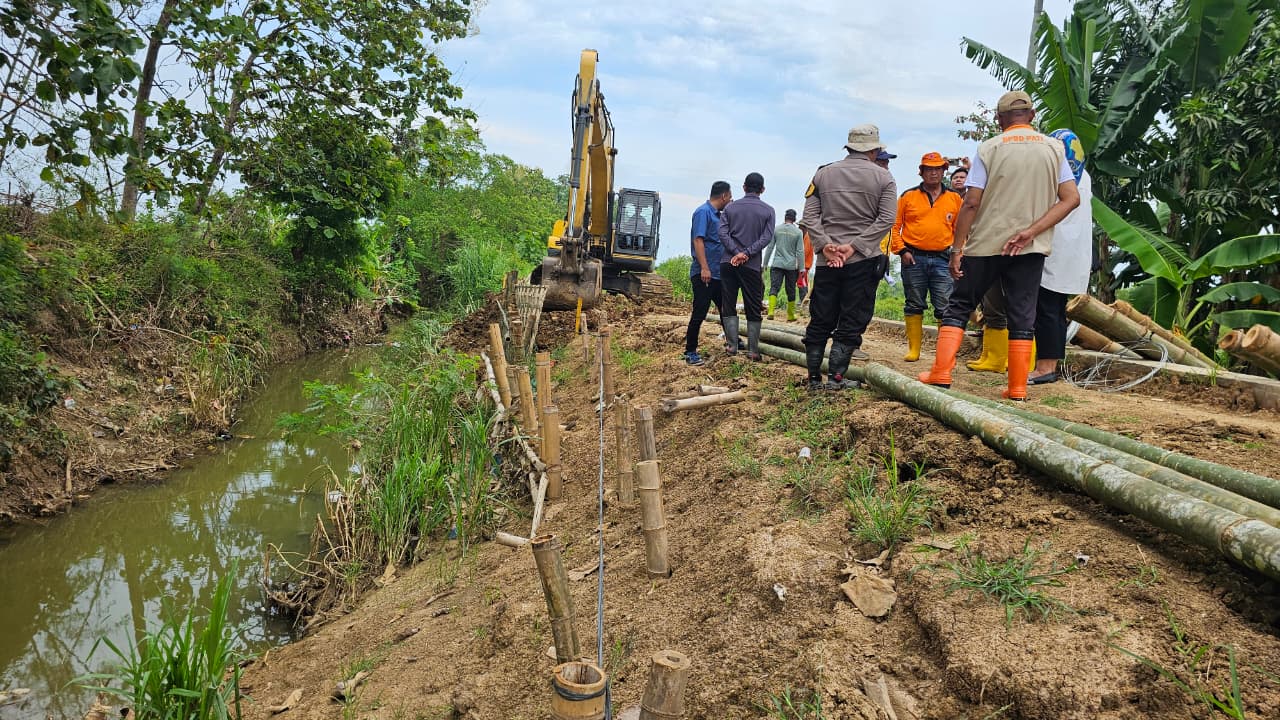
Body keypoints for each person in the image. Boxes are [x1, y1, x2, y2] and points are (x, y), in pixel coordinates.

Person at [918, 90, 1080, 400]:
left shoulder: (989, 148)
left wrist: (957, 248)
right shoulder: (1055, 149)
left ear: (999, 119)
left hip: (986, 244)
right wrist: (1031, 231)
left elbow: (971, 203)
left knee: (960, 304)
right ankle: (1017, 388)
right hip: (1029, 247)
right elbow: (1071, 198)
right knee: (1023, 312)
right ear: (1031, 116)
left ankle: (940, 373)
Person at [799, 124, 897, 390]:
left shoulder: (823, 174)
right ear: (875, 150)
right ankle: (837, 379)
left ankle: (813, 379)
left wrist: (826, 245)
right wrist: (854, 246)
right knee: (852, 317)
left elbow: (809, 217)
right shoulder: (884, 178)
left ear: (849, 146)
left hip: (827, 261)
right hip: (863, 261)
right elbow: (887, 218)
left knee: (821, 316)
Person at [1030, 128, 1092, 385]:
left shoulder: (1059, 176)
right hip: (1070, 253)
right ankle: (1046, 364)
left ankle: (1046, 367)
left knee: (1047, 311)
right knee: (1052, 310)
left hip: (1054, 249)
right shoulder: (1083, 176)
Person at [891, 152, 963, 362]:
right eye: (929, 169)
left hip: (943, 258)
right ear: (921, 172)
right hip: (913, 257)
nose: (933, 173)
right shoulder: (908, 196)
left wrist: (958, 254)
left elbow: (961, 231)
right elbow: (894, 227)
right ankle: (914, 349)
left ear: (944, 171)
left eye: (938, 169)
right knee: (913, 303)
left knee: (944, 305)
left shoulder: (954, 198)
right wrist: (902, 251)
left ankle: (944, 354)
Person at [718, 172, 776, 360]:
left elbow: (723, 232)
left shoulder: (730, 209)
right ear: (763, 189)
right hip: (751, 266)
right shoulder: (768, 211)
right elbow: (766, 238)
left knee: (728, 302)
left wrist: (736, 252)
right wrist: (747, 253)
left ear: (744, 187)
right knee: (753, 305)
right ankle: (752, 350)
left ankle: (732, 346)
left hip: (728, 262)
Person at [683, 180, 733, 365]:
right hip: (705, 273)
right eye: (729, 196)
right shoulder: (703, 212)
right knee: (700, 312)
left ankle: (732, 342)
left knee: (726, 310)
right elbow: (698, 240)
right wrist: (704, 267)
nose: (731, 199)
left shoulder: (719, 216)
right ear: (723, 196)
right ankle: (690, 351)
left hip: (719, 274)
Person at [764, 209, 805, 321]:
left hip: (777, 264)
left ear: (785, 217)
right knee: (791, 289)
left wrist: (765, 263)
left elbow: (770, 247)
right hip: (791, 266)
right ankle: (791, 315)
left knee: (774, 287)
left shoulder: (777, 229)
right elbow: (800, 251)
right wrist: (802, 268)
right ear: (794, 219)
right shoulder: (798, 232)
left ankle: (771, 312)